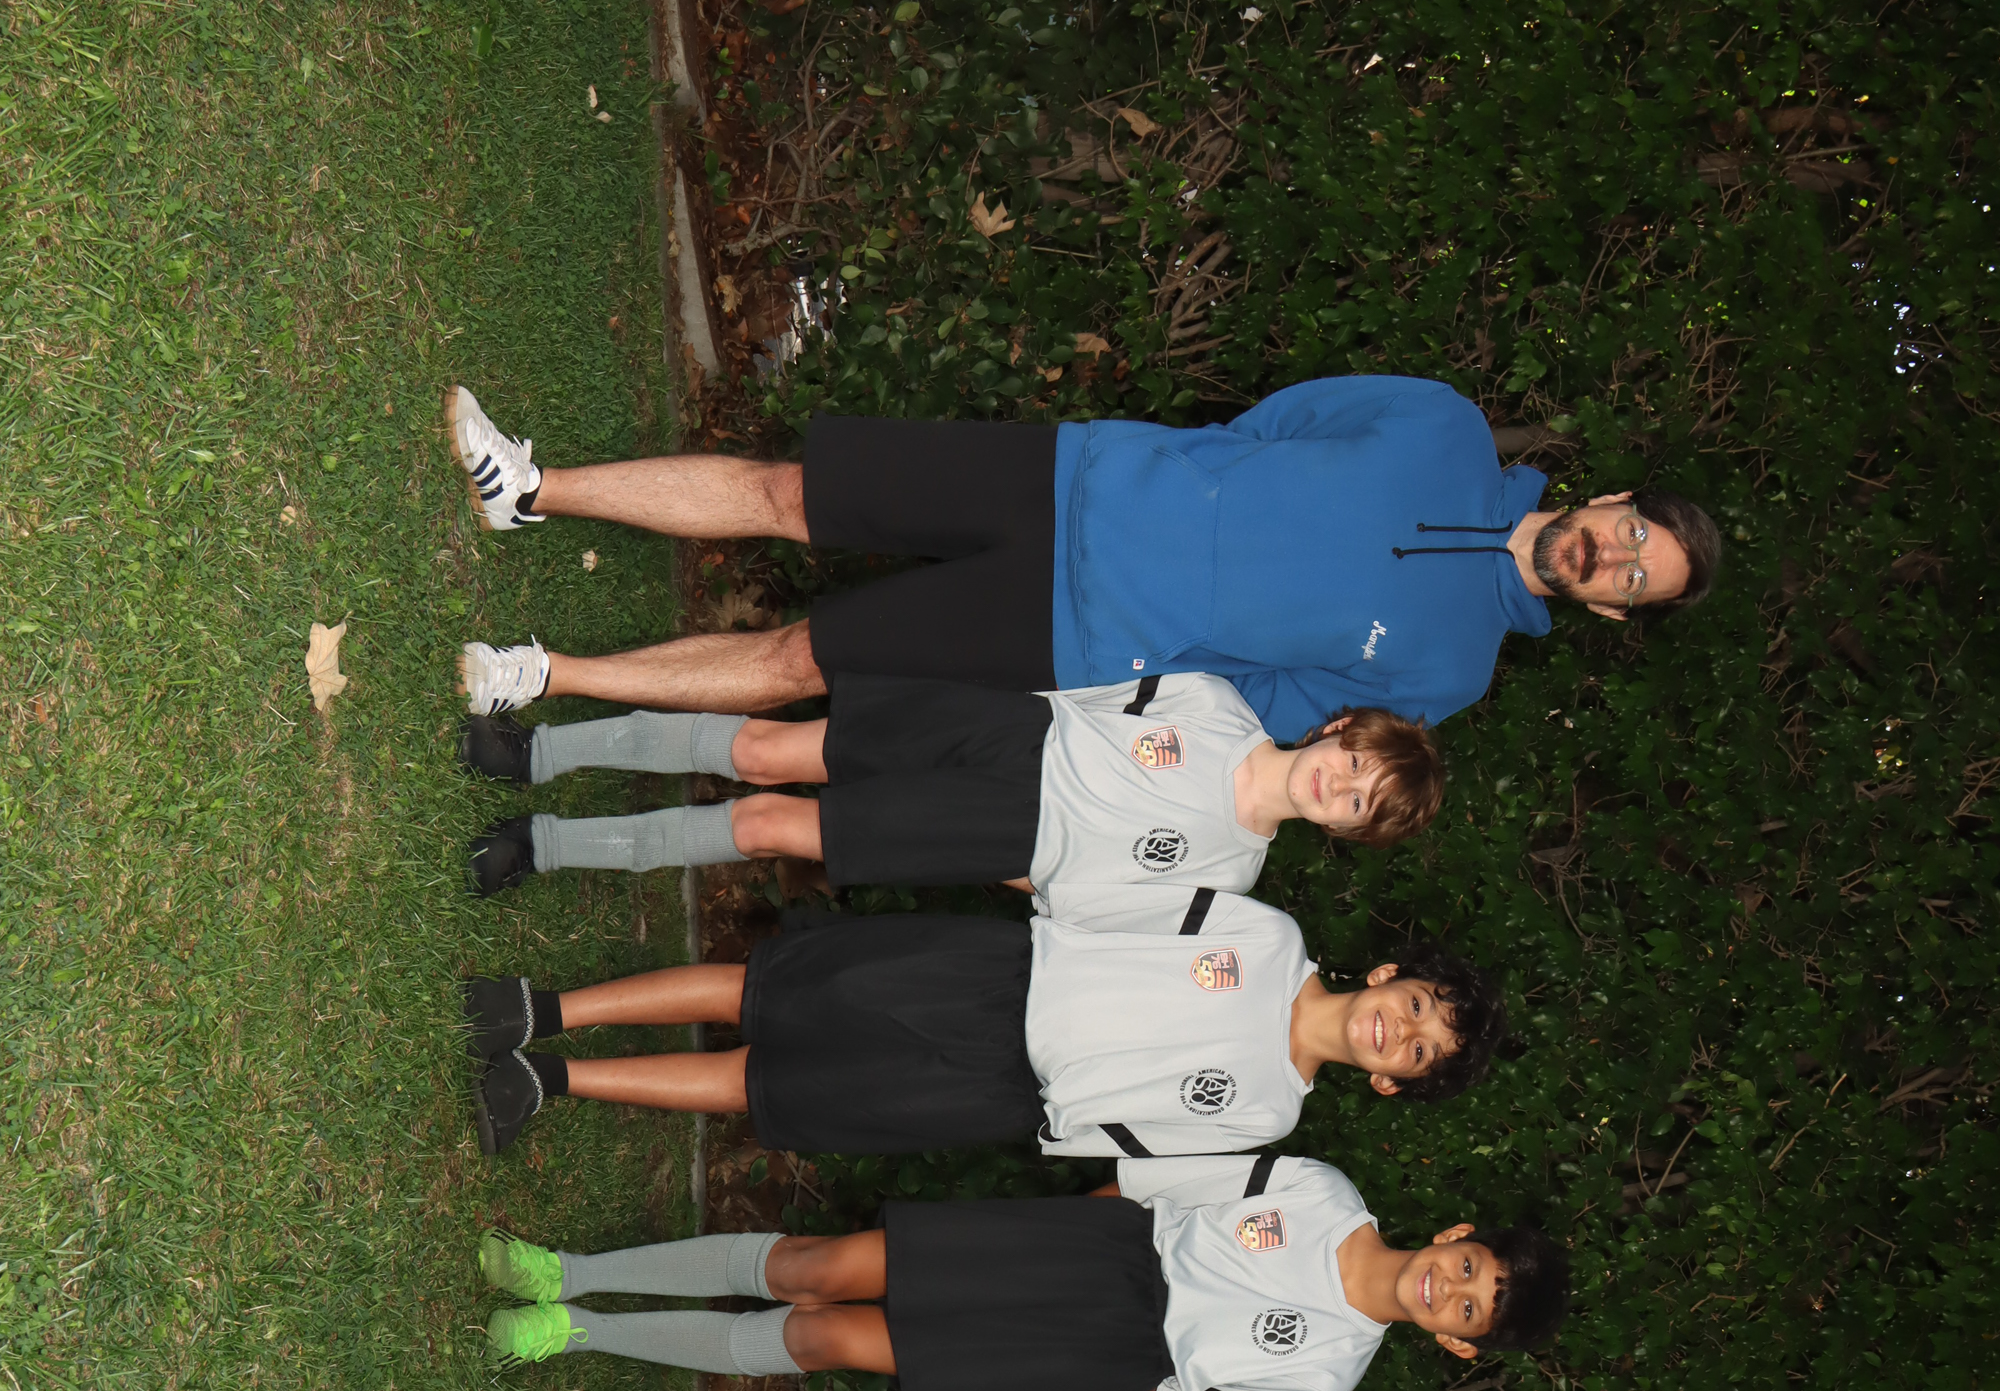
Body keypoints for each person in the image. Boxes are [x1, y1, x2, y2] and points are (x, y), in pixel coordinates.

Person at [443, 379, 1718, 736]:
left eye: (1630, 578)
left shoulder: (1452, 674)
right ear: (1610, 498)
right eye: (1630, 534)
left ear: (1611, 613)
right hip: (1070, 476)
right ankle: (530, 488)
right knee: (790, 493)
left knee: (800, 662)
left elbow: (1268, 707)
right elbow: (1277, 422)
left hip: (1070, 631)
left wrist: (1156, 631)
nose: (1607, 556)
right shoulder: (1441, 425)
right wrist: (1181, 486)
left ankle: (543, 674)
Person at [471, 1157, 1570, 1391]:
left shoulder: (1328, 1374)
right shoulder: (1323, 1191)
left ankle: (572, 1334)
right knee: (820, 1265)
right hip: (1094, 1250)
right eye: (1468, 1268)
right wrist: (1057, 1233)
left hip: (1099, 1350)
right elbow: (1163, 1178)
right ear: (1456, 1236)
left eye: (1468, 1311)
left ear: (1456, 1343)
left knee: (826, 1339)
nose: (1450, 1288)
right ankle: (571, 1273)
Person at [461, 901, 1503, 1160]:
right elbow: (1121, 903)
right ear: (1390, 976)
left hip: (1002, 1092)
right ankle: (540, 1009)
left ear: (1390, 1083)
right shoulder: (1269, 937)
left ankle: (552, 1082)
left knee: (765, 1085)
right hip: (998, 974)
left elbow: (1137, 1148)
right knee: (764, 992)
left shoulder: (1270, 1116)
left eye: (1416, 1054)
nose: (1396, 1031)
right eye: (1414, 1006)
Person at [456, 673, 1443, 895]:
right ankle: (538, 752)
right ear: (1339, 729)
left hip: (1001, 834)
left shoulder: (1229, 878)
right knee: (761, 751)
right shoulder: (1215, 704)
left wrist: (990, 858)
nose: (1339, 786)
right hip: (1004, 735)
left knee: (761, 826)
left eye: (1359, 806)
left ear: (1345, 832)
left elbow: (1081, 902)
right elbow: (1087, 697)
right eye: (1356, 763)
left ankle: (543, 847)